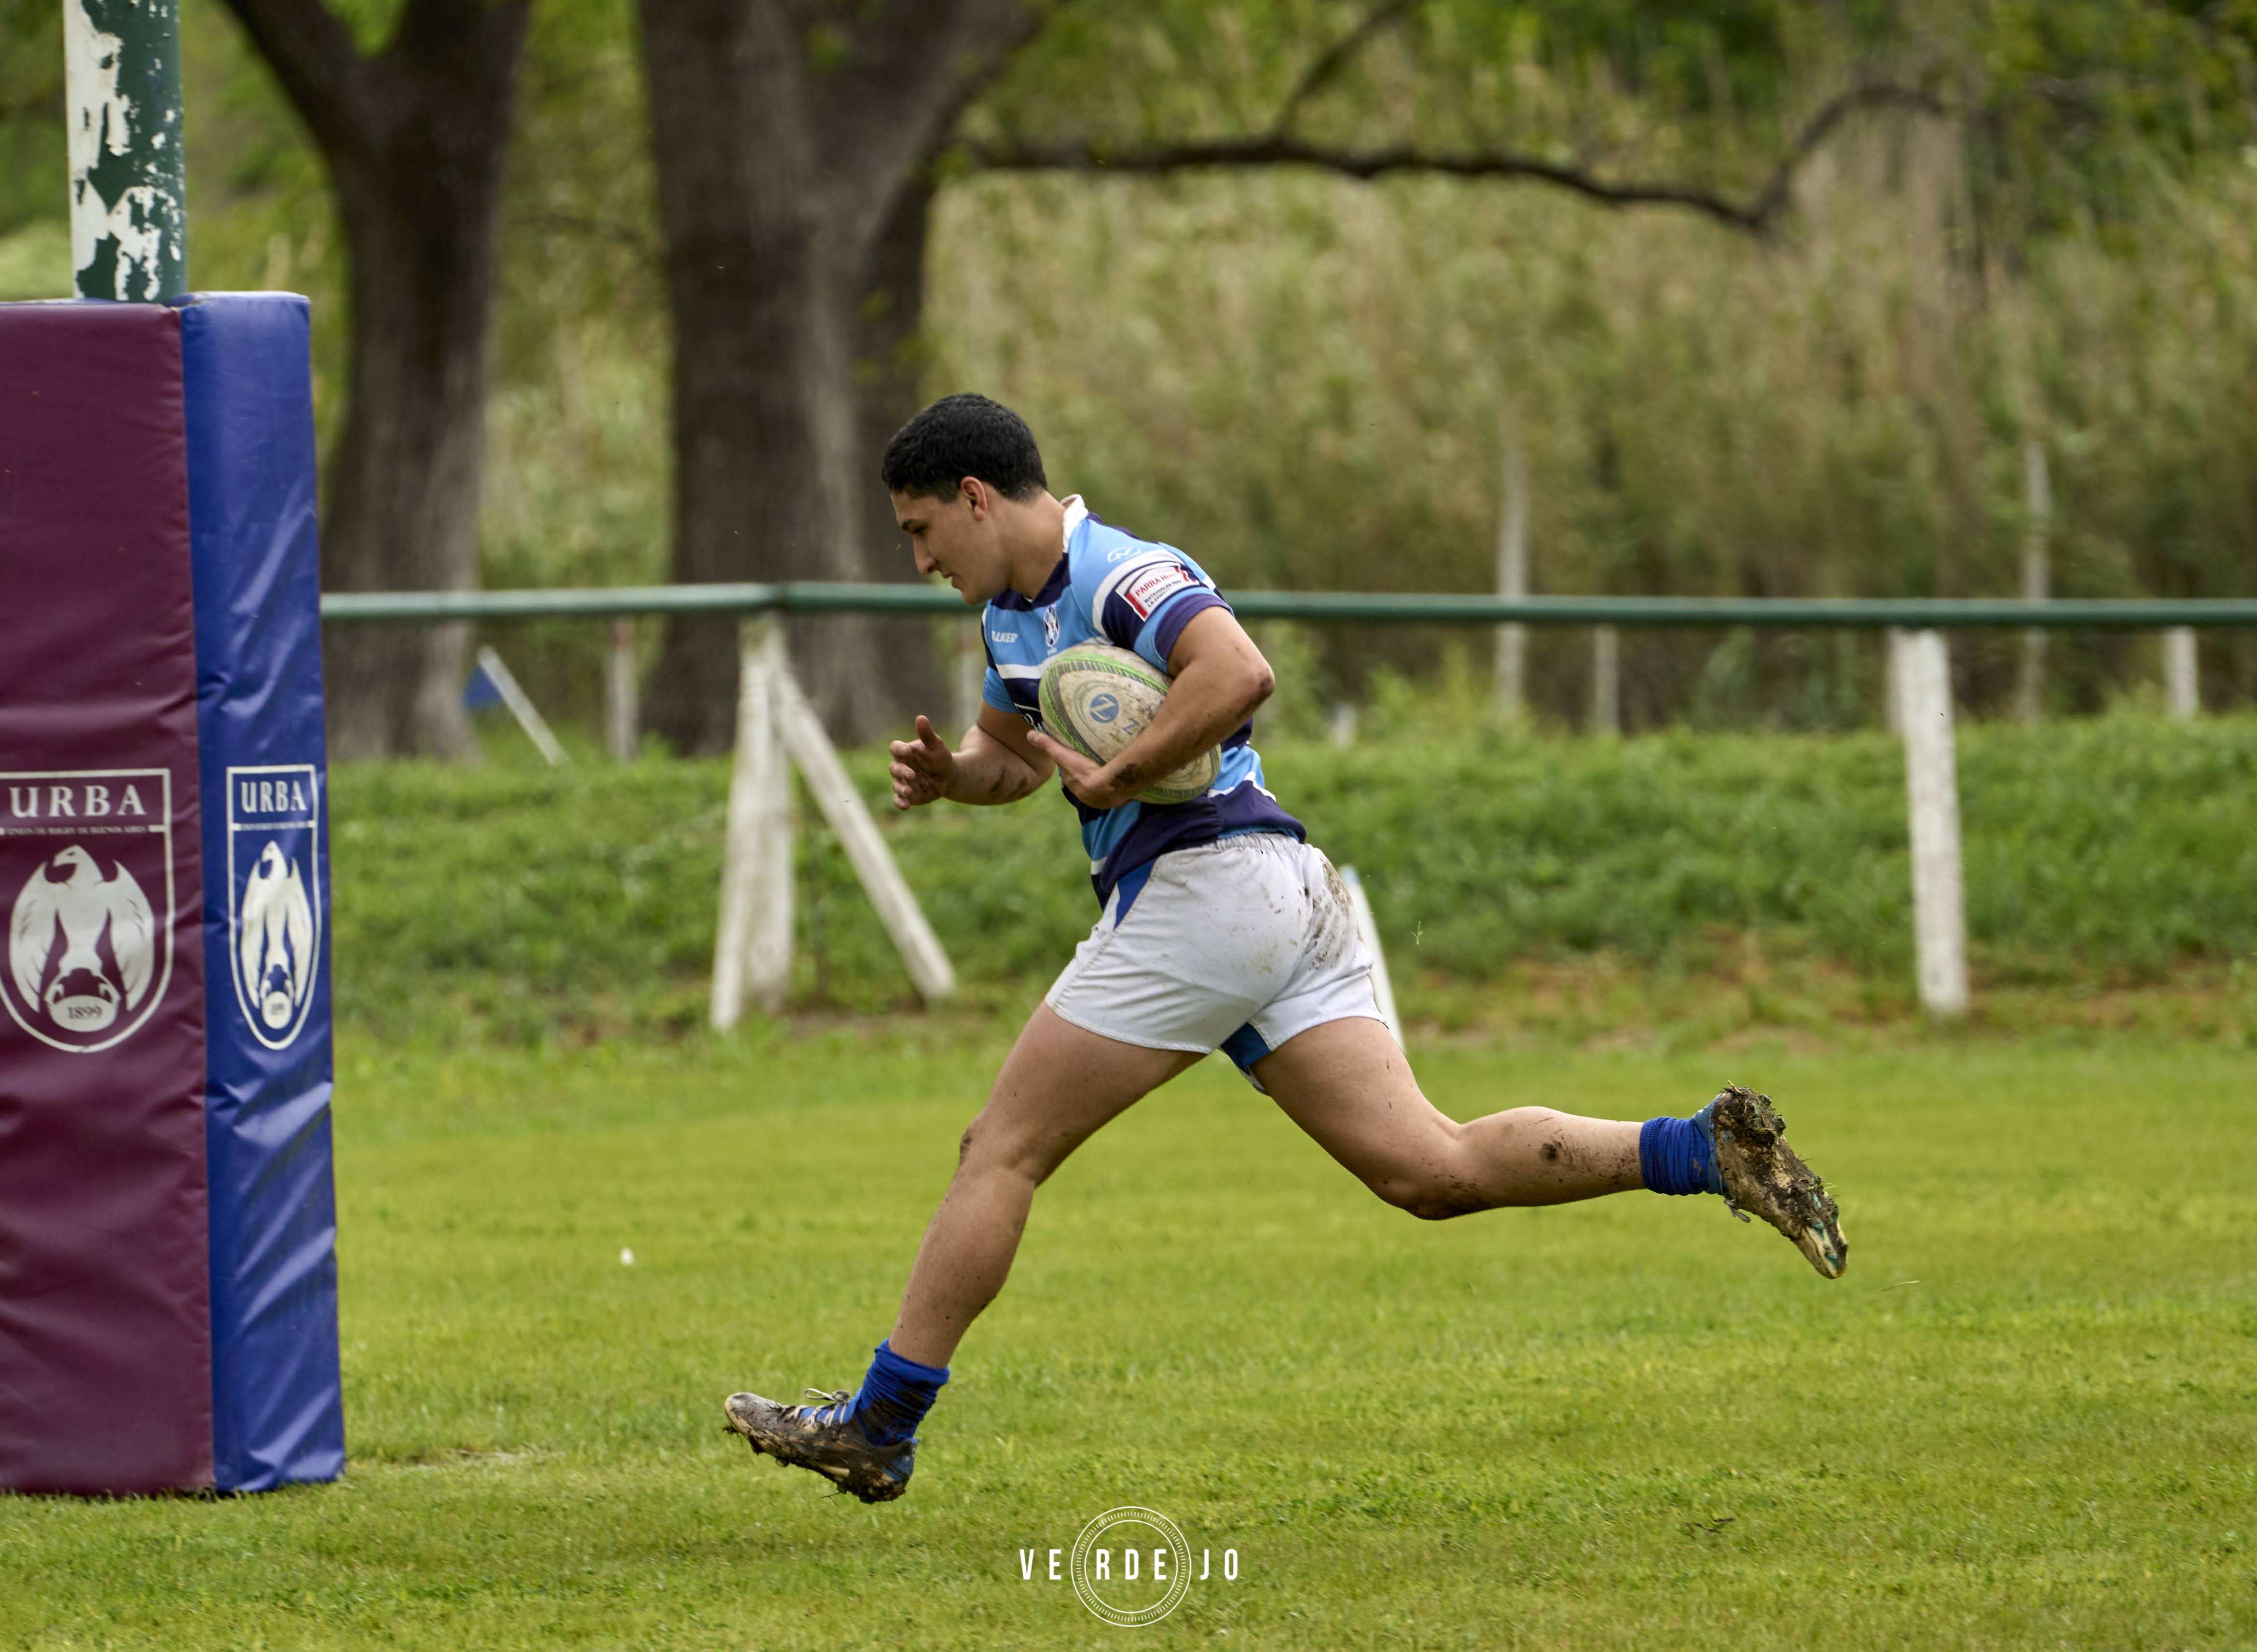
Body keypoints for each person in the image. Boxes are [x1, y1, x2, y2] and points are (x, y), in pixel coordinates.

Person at [724, 394, 1847, 1503]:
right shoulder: (1008, 618)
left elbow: (1237, 672)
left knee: (999, 1150)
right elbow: (1015, 755)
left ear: (973, 498)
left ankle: (879, 1424)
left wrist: (1121, 774)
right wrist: (955, 778)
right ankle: (1702, 1151)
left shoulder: (1123, 573)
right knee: (1428, 1170)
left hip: (1205, 891)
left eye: (919, 529)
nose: (917, 557)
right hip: (1274, 898)